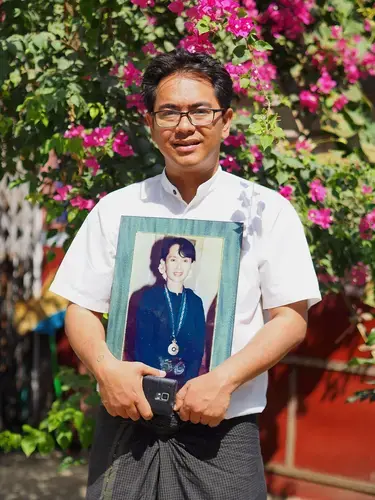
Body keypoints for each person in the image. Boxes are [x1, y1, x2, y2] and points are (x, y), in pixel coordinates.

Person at [50, 48, 321, 500]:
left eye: (200, 111)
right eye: (169, 112)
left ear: (226, 120)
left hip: (222, 429)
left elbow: (290, 319)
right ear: (151, 124)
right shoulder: (117, 209)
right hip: (126, 425)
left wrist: (224, 381)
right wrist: (105, 371)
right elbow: (80, 307)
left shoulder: (266, 211)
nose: (185, 125)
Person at [133, 237, 206, 386]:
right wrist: (158, 379)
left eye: (185, 261)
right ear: (163, 263)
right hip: (152, 377)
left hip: (185, 381)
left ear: (191, 265)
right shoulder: (149, 298)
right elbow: (142, 346)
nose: (179, 266)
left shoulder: (196, 302)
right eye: (173, 260)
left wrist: (188, 383)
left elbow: (197, 350)